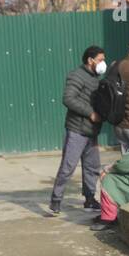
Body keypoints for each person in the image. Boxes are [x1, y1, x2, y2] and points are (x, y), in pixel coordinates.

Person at [51, 46, 106, 216]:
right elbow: (68, 98)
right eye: (100, 59)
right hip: (76, 130)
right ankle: (56, 200)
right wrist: (90, 113)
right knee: (68, 167)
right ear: (90, 60)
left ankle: (89, 199)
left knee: (92, 167)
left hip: (91, 131)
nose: (102, 63)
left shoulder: (96, 78)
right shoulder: (76, 75)